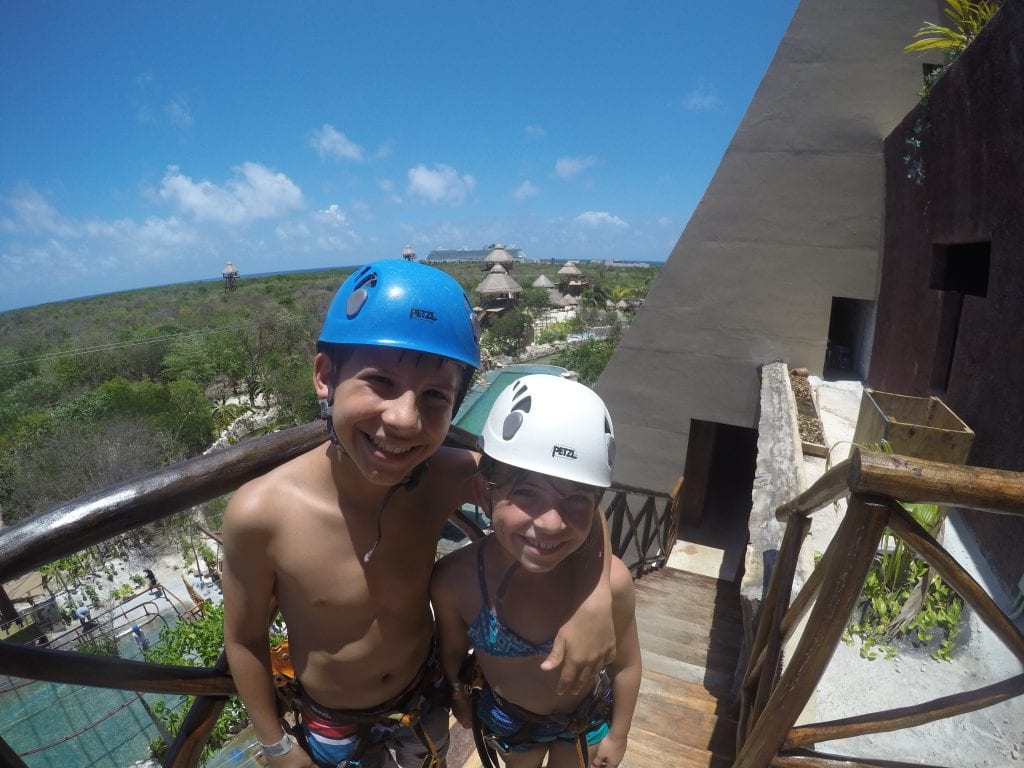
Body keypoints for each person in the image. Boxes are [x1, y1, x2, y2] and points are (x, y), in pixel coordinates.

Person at [222, 260, 615, 768]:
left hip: (422, 698)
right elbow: (244, 639)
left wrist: (594, 603)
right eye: (380, 382)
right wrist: (275, 744)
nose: (404, 419)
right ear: (325, 377)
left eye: (434, 397)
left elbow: (568, 497)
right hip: (331, 718)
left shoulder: (441, 476)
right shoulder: (262, 514)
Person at [431, 375, 641, 768]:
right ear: (483, 493)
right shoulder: (455, 581)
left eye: (576, 498)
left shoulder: (611, 582)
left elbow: (626, 664)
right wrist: (458, 695)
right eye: (526, 492)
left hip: (585, 720)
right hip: (512, 720)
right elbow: (453, 652)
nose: (550, 524)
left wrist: (619, 734)